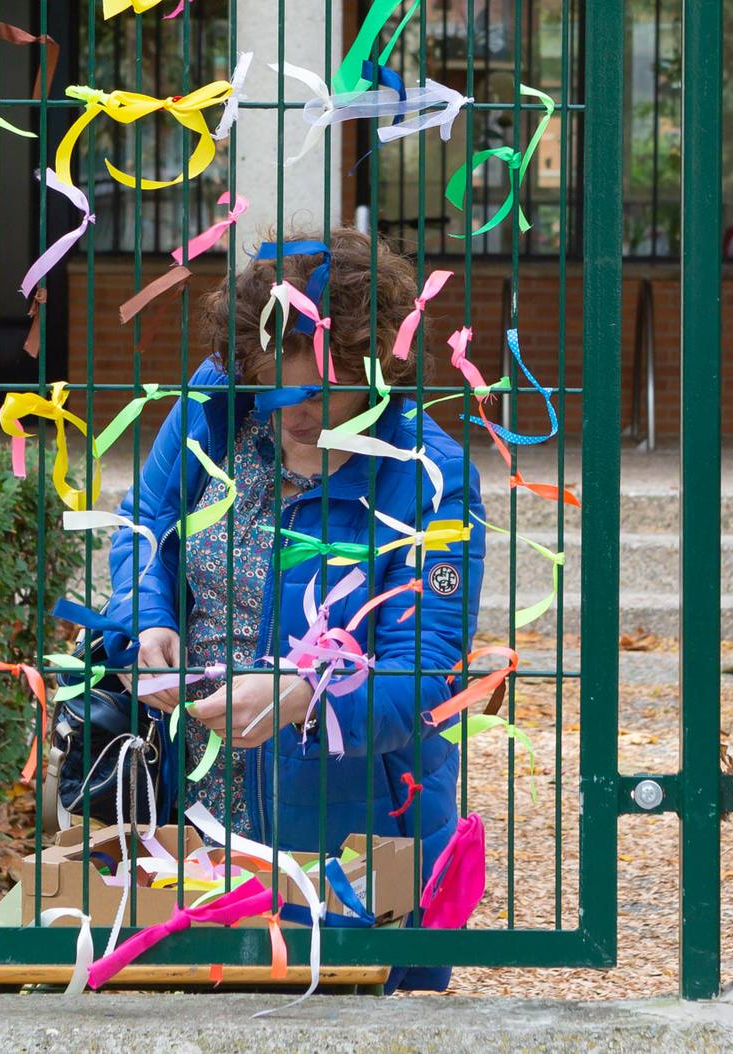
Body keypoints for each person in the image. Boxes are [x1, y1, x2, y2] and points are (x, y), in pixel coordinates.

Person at [97, 228, 483, 993]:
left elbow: (427, 667)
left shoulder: (430, 476)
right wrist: (147, 617)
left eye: (324, 391)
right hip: (193, 791)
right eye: (279, 388)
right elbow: (145, 519)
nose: (300, 412)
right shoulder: (212, 411)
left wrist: (310, 698)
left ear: (381, 370)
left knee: (334, 1001)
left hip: (350, 821)